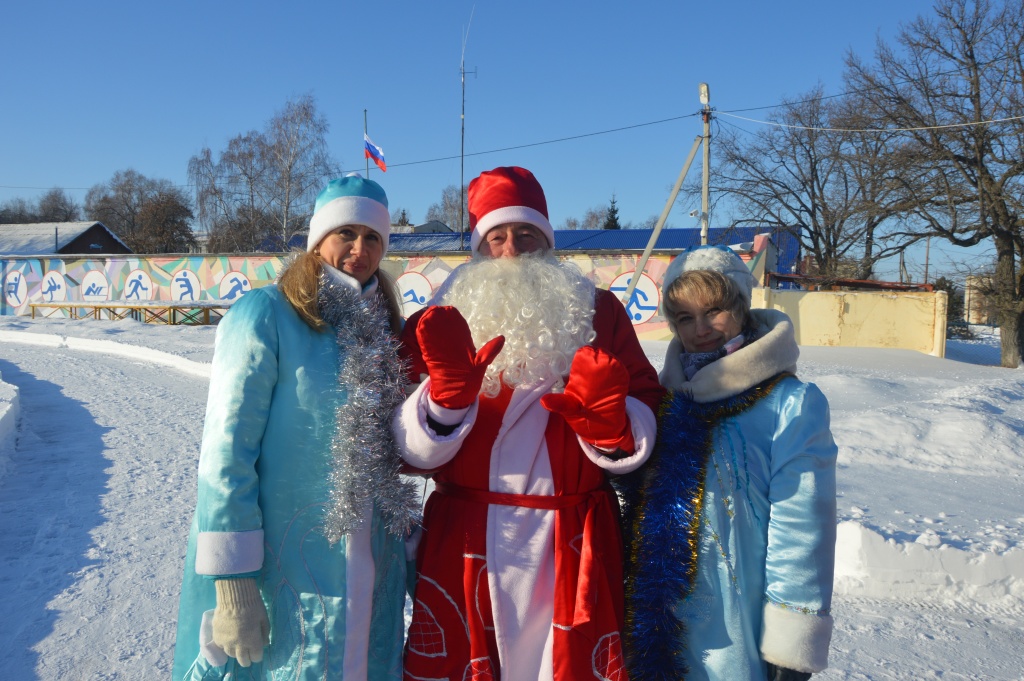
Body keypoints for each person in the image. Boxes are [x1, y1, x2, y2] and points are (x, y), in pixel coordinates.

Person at [393, 166, 666, 681]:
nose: (512, 250)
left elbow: (645, 399)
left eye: (526, 234)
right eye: (496, 237)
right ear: (479, 248)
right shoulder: (439, 316)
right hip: (467, 537)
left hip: (570, 538)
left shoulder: (599, 311)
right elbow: (396, 444)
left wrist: (612, 426)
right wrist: (441, 408)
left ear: (548, 242)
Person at [172, 174, 418, 680]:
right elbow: (226, 454)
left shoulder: (386, 330)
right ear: (319, 239)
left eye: (373, 237)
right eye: (346, 233)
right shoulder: (266, 314)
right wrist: (234, 582)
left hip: (373, 571)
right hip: (288, 572)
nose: (360, 248)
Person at [620, 245, 837, 681]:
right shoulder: (667, 400)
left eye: (714, 311)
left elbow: (803, 525)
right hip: (655, 621)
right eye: (685, 318)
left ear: (741, 308)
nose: (701, 330)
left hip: (739, 622)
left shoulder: (789, 404)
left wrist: (790, 642)